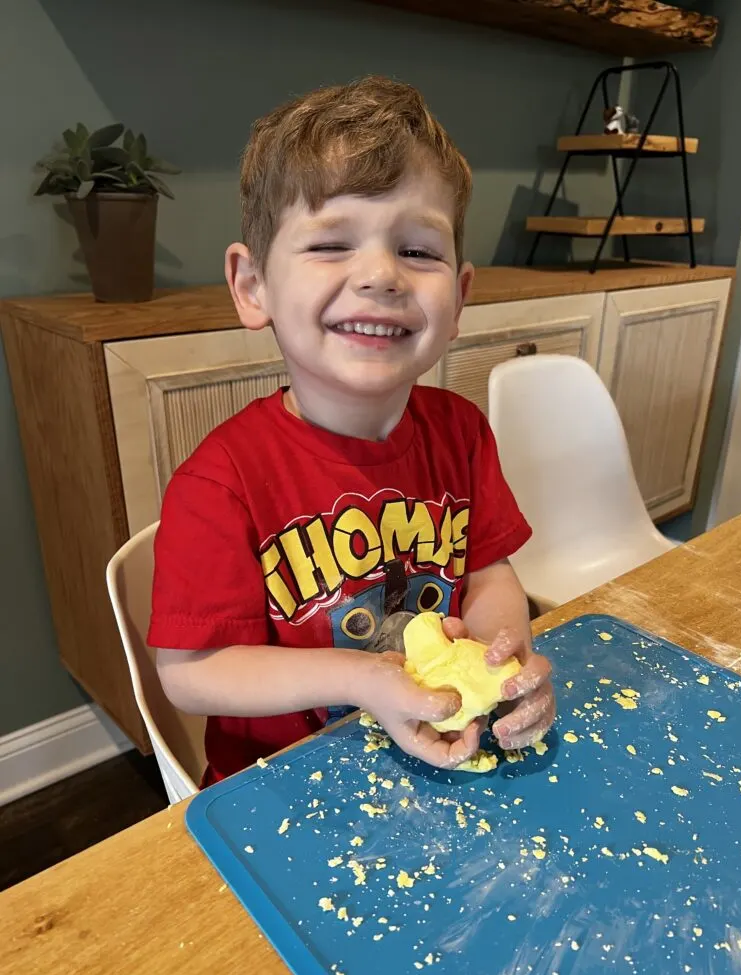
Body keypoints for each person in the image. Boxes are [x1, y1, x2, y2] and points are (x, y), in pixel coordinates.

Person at [147, 75, 555, 786]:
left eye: (418, 251)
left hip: (436, 754)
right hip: (284, 787)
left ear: (457, 300)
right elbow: (192, 673)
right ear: (253, 287)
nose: (380, 274)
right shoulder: (220, 485)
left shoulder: (460, 432)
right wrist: (364, 679)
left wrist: (501, 659)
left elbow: (490, 572)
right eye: (332, 243)